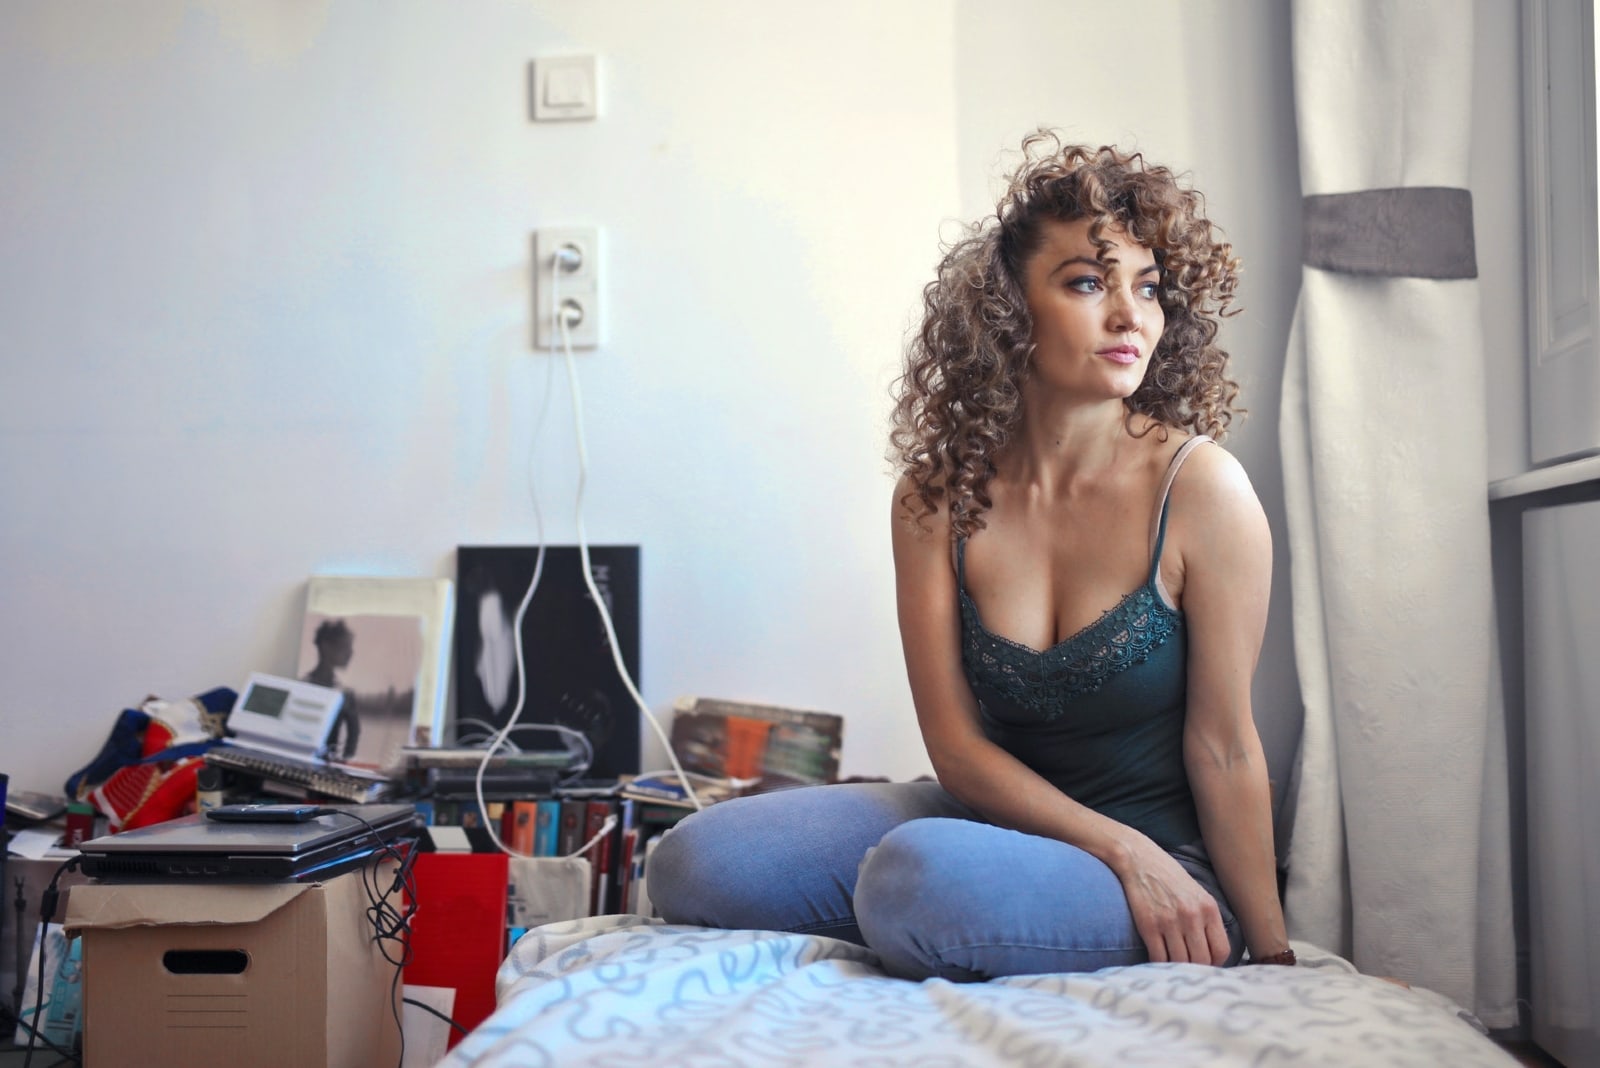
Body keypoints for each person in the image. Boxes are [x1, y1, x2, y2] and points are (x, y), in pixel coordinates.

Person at [646, 131, 1292, 979]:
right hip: (989, 820)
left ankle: (961, 910)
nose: (1131, 315)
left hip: (1168, 862)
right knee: (692, 863)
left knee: (914, 883)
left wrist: (1270, 950)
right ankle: (968, 907)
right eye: (1089, 283)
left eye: (1149, 287)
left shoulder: (1204, 491)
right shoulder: (935, 497)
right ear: (1009, 311)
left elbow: (1226, 748)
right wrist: (1110, 850)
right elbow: (956, 747)